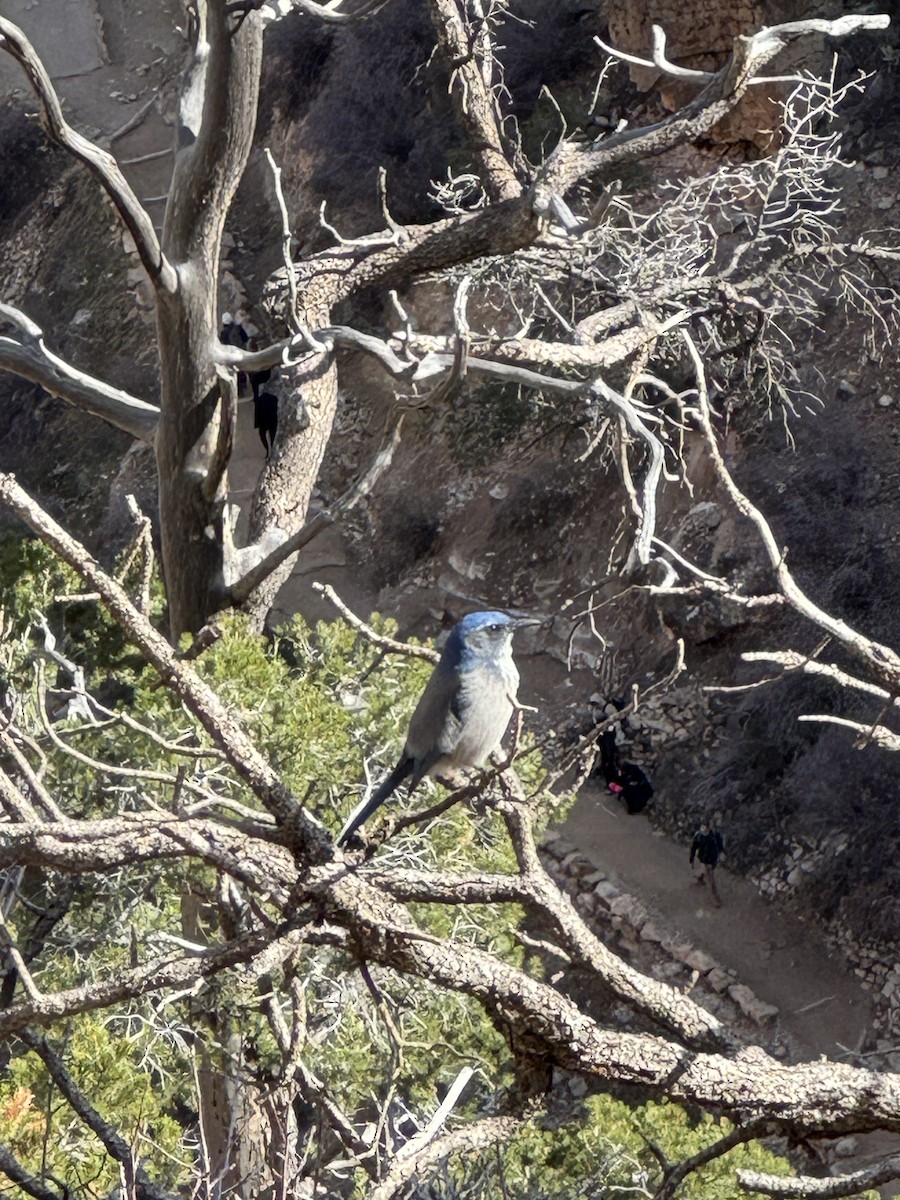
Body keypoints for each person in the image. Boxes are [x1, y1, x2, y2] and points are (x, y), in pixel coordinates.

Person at [338, 612, 536, 846]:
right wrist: (477, 773)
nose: (505, 631)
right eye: (494, 629)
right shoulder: (472, 680)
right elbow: (446, 740)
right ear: (474, 642)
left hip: (424, 750)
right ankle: (344, 840)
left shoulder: (474, 671)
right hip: (431, 753)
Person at [690, 819, 724, 906]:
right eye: (701, 827)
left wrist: (722, 853)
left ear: (708, 828)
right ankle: (715, 899)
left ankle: (700, 878)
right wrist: (692, 858)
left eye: (704, 827)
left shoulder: (714, 836)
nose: (702, 829)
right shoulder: (698, 836)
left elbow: (720, 846)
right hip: (702, 859)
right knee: (710, 879)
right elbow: (694, 848)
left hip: (711, 860)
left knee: (707, 873)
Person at [253, 390, 278, 459]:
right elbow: (276, 411)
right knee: (272, 437)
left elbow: (256, 413)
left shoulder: (259, 400)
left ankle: (267, 449)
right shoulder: (274, 398)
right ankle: (272, 449)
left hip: (263, 422)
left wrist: (256, 424)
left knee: (262, 435)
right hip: (273, 421)